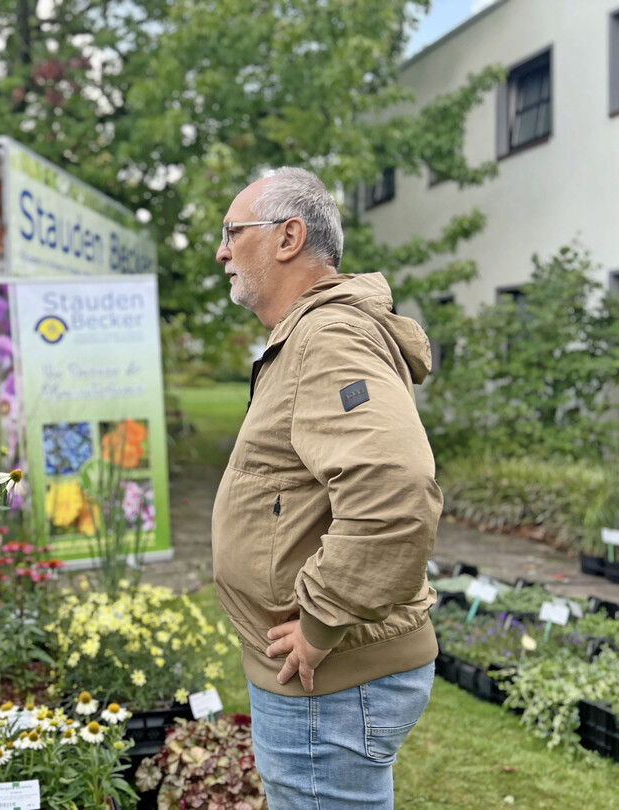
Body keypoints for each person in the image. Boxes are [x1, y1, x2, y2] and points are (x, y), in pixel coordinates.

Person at [211, 167, 442, 810]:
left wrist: (318, 625)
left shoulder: (327, 336)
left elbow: (395, 491)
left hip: (329, 681)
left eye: (232, 232)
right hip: (327, 682)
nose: (221, 251)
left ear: (289, 237)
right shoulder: (312, 335)